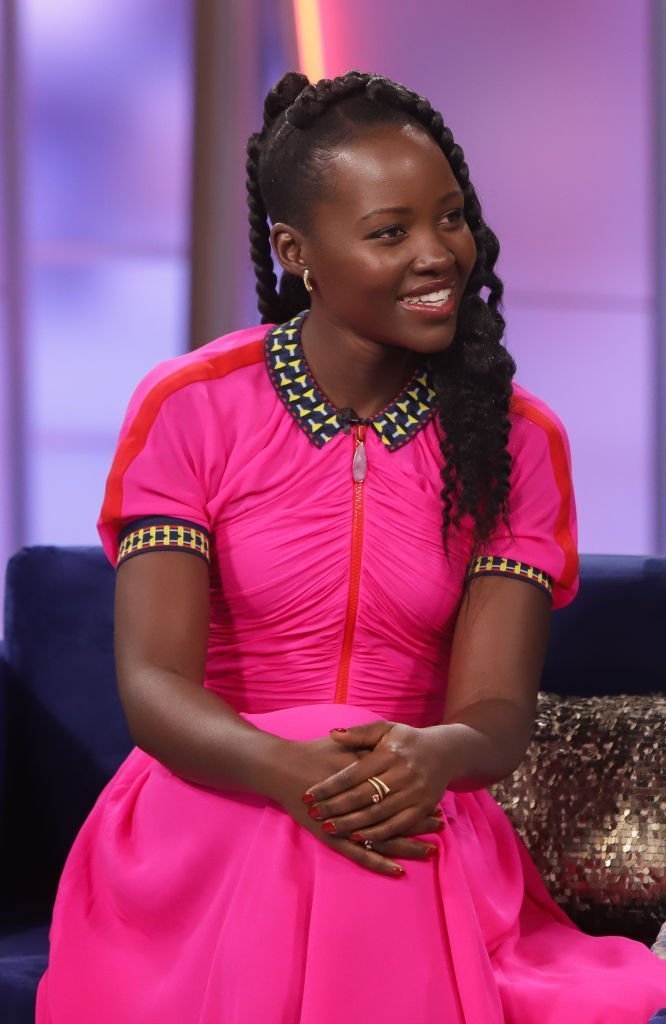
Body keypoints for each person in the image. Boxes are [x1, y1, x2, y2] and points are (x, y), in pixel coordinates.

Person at [36, 70, 666, 1023]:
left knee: (370, 841)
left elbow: (495, 713)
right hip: (211, 811)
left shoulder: (520, 440)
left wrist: (434, 756)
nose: (437, 255)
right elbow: (155, 690)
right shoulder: (189, 409)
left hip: (414, 809)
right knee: (341, 831)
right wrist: (292, 773)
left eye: (450, 219)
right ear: (299, 253)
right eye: (389, 232)